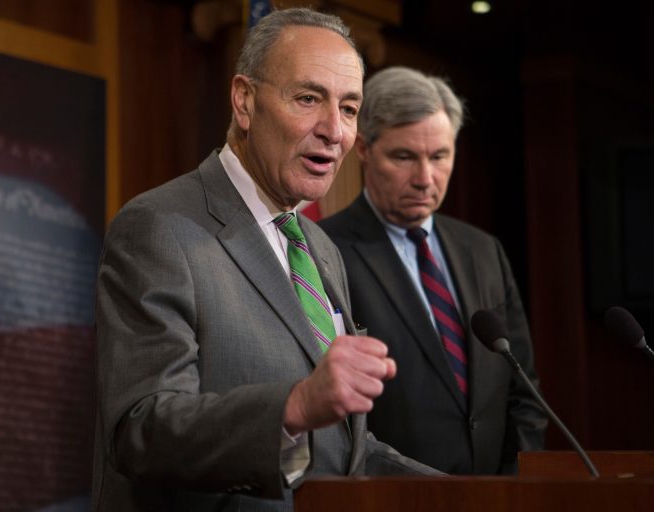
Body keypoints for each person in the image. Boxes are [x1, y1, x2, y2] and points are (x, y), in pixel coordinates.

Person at [92, 10, 439, 512]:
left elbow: (342, 451)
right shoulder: (159, 227)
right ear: (245, 101)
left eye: (348, 108)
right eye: (308, 98)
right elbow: (141, 428)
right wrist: (293, 406)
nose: (334, 130)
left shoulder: (320, 248)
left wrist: (475, 495)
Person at [319, 66, 548, 475]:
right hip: (389, 495)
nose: (425, 179)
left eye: (439, 156)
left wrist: (512, 489)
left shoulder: (483, 250)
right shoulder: (325, 250)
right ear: (364, 149)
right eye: (404, 157)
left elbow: (524, 393)